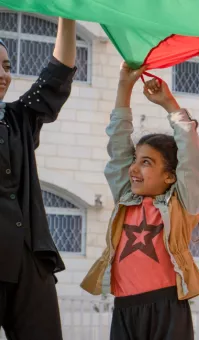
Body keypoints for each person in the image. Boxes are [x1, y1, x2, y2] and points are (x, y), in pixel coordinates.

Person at [80, 64, 199, 340]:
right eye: (135, 160)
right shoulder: (126, 199)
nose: (134, 168)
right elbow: (117, 146)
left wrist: (169, 104)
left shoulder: (182, 204)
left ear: (170, 176)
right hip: (125, 309)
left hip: (168, 308)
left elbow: (192, 158)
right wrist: (124, 87)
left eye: (146, 163)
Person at [0, 17, 76, 340]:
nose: (4, 75)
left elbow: (56, 75)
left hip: (28, 259)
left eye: (6, 66)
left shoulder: (18, 119)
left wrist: (66, 13)